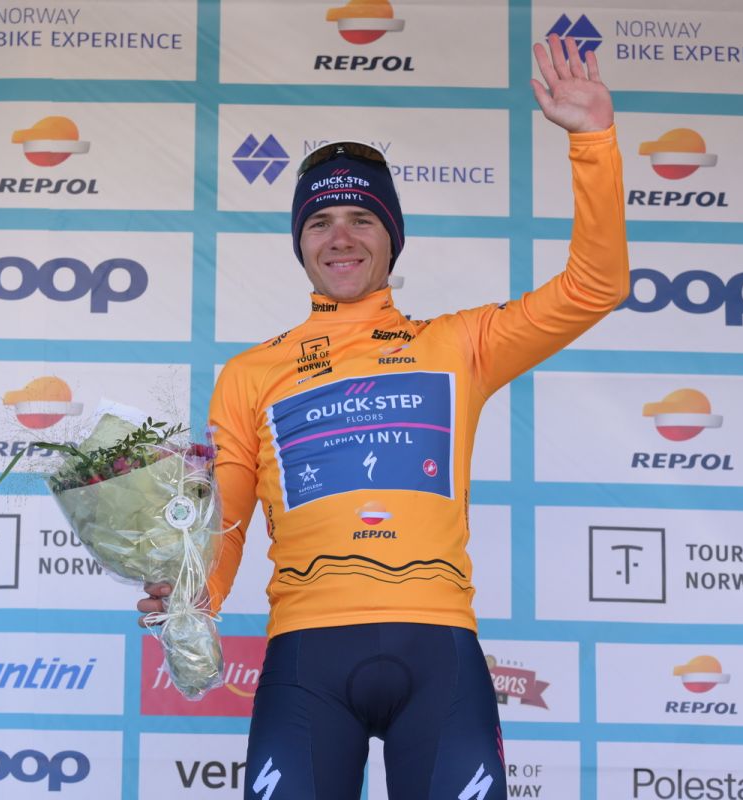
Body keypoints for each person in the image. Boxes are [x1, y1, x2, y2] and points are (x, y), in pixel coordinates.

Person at [139, 35, 628, 800]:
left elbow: (596, 286)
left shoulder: (457, 344)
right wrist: (194, 598)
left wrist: (593, 142)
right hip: (306, 656)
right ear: (299, 243)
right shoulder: (250, 374)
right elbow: (226, 520)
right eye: (320, 221)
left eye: (361, 219)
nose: (340, 237)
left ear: (391, 237)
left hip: (438, 651)